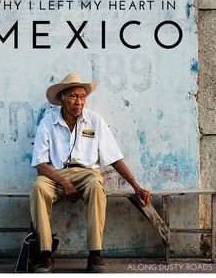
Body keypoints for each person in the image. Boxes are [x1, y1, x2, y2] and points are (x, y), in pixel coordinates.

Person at [30, 72, 151, 273]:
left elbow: (113, 157)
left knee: (96, 186)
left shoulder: (94, 121)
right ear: (61, 99)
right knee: (38, 188)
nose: (79, 102)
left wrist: (136, 187)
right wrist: (65, 183)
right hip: (57, 175)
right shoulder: (48, 123)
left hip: (87, 174)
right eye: (73, 96)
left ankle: (95, 255)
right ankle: (44, 255)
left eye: (82, 96)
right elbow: (40, 164)